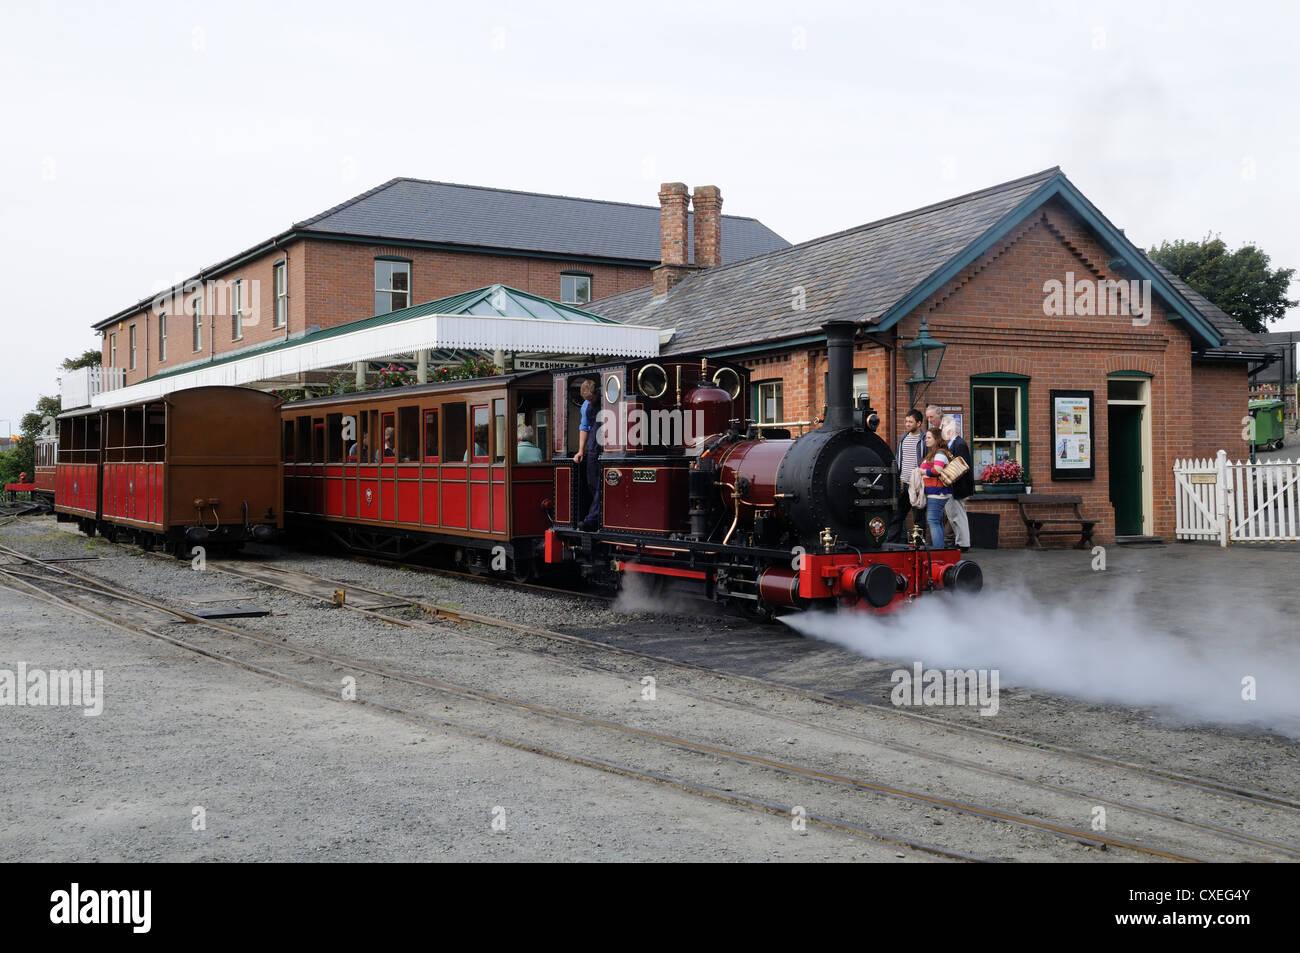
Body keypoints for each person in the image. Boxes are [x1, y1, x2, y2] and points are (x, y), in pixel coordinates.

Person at [887, 409, 926, 543]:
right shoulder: (903, 438)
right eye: (906, 421)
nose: (907, 424)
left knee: (918, 518)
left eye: (911, 422)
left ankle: (919, 545)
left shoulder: (924, 439)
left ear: (919, 423)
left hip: (917, 484)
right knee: (897, 516)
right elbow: (899, 459)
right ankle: (892, 544)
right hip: (904, 484)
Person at [941, 414, 973, 550]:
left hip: (958, 487)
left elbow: (961, 467)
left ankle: (963, 544)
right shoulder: (955, 444)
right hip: (955, 487)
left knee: (958, 516)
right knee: (954, 516)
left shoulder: (959, 444)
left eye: (943, 427)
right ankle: (961, 542)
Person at [573, 379, 602, 530]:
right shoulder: (585, 406)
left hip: (606, 443)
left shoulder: (606, 399)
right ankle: (597, 515)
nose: (589, 402)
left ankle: (592, 518)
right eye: (587, 400)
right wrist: (580, 450)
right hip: (592, 443)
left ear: (597, 392)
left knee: (600, 484)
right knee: (592, 482)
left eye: (591, 399)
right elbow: (584, 427)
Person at [918, 427, 952, 548]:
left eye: (928, 437)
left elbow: (937, 470)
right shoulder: (936, 452)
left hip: (937, 492)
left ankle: (938, 552)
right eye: (925, 437)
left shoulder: (939, 453)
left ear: (936, 439)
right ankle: (941, 550)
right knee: (937, 522)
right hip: (937, 492)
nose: (926, 440)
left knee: (933, 521)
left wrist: (923, 472)